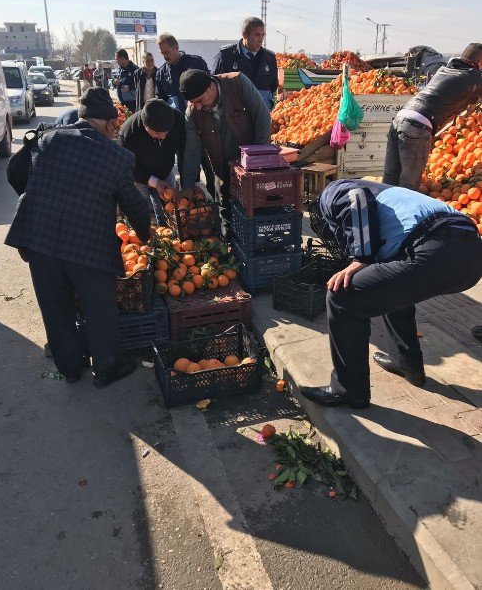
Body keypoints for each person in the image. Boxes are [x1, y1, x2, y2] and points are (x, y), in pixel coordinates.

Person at [5, 87, 151, 388]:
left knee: (55, 306)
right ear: (110, 124)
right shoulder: (116, 156)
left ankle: (70, 368)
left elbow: (17, 175)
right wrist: (145, 233)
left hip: (39, 240)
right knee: (100, 306)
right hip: (87, 244)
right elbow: (133, 204)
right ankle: (107, 367)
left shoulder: (47, 139)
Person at [300, 179, 482, 409]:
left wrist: (361, 258)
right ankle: (407, 364)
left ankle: (348, 390)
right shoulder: (389, 196)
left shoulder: (332, 191)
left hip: (435, 248)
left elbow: (356, 198)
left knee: (341, 297)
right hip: (472, 255)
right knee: (390, 286)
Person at [178, 69, 271, 235]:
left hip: (251, 168)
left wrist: (257, 160)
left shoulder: (238, 83)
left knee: (256, 213)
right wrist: (188, 185)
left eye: (199, 100)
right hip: (222, 168)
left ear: (209, 87)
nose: (197, 106)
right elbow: (192, 150)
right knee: (226, 214)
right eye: (194, 103)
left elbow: (262, 116)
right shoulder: (192, 112)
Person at [384, 42, 482, 190]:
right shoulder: (473, 76)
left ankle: (378, 212)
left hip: (399, 119)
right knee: (408, 186)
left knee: (390, 180)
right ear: (480, 63)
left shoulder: (445, 69)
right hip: (417, 127)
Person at [118, 98, 185, 223]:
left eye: (167, 132)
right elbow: (128, 168)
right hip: (139, 175)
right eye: (158, 133)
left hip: (165, 169)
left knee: (170, 205)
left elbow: (186, 152)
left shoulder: (177, 120)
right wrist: (154, 182)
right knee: (143, 206)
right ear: (145, 125)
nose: (164, 136)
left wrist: (190, 182)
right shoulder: (128, 133)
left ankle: (167, 227)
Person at [212, 17, 278, 110]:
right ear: (245, 34)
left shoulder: (269, 58)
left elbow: (273, 86)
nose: (261, 39)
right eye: (257, 35)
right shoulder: (226, 56)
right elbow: (214, 85)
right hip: (234, 117)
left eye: (263, 35)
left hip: (262, 114)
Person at [155, 33, 209, 114]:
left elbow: (210, 87)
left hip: (201, 116)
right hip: (178, 120)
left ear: (176, 48)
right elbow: (160, 99)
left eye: (167, 52)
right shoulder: (161, 73)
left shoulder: (196, 63)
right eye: (162, 54)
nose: (165, 57)